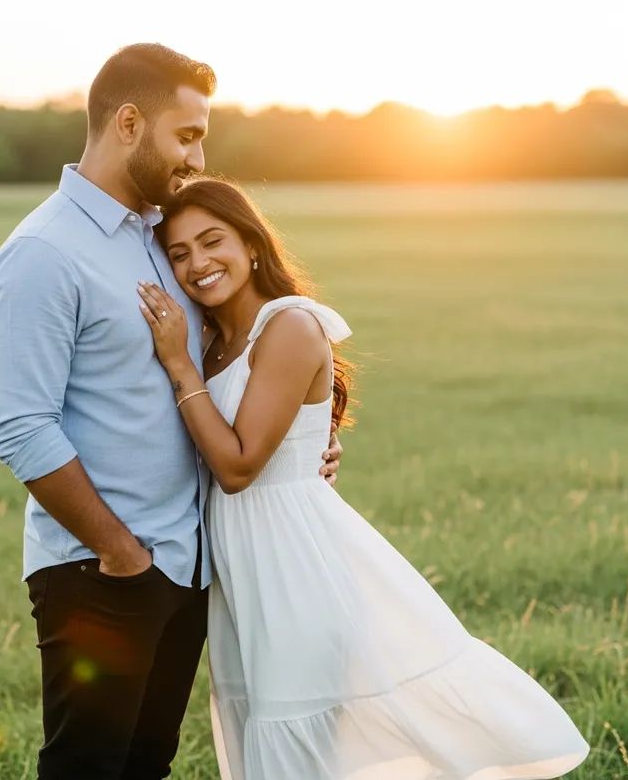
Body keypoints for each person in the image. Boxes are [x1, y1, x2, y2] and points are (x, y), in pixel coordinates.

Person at [137, 177, 591, 780]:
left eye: (212, 240)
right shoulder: (213, 340)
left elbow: (238, 467)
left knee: (297, 740)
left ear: (251, 243)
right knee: (269, 738)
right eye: (179, 253)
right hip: (242, 569)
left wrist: (176, 364)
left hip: (294, 565)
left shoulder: (289, 327)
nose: (198, 263)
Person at [0, 44, 343, 779]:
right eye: (187, 135)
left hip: (190, 566)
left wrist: (303, 448)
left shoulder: (163, 238)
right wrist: (119, 552)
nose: (198, 157)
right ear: (128, 123)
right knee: (86, 767)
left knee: (147, 764)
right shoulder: (42, 253)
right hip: (101, 571)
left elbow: (238, 364)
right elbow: (21, 427)